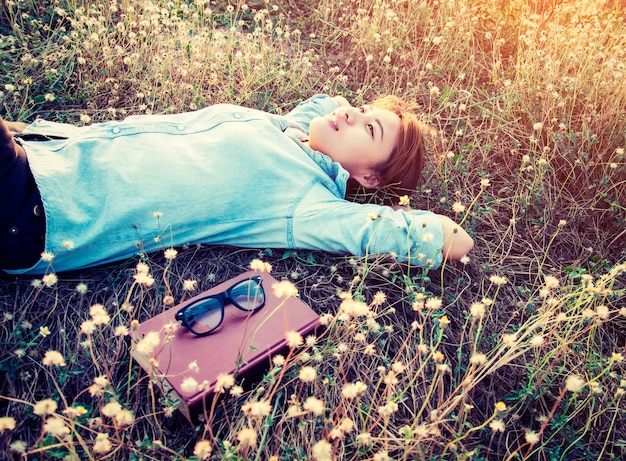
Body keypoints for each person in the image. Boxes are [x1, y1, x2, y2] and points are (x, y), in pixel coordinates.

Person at [0, 94, 473, 275]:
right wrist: (351, 124)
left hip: (41, 208)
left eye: (369, 129)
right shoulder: (281, 129)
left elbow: (449, 239)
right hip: (45, 151)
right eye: (364, 110)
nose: (352, 113)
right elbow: (323, 103)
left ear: (368, 178)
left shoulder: (308, 203)